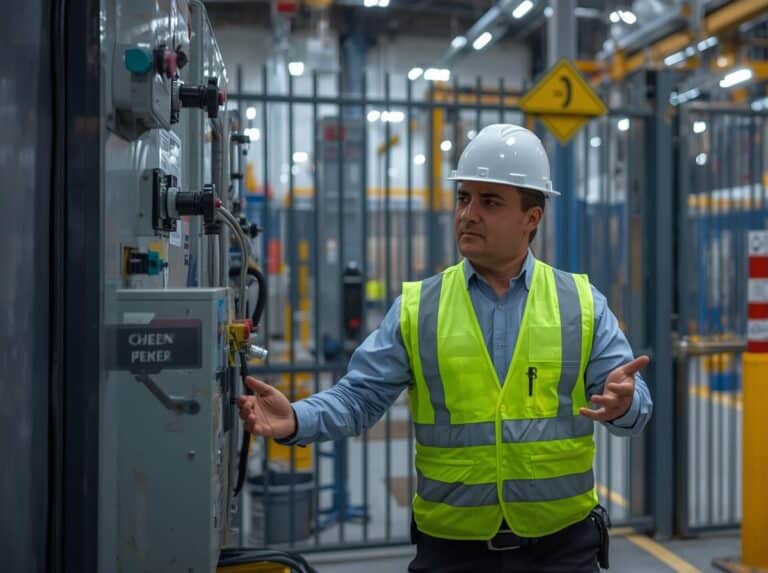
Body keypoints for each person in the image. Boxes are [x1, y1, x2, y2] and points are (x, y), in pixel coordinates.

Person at [238, 123, 652, 572]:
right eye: (463, 198)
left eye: (489, 202)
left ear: (532, 217)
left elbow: (633, 406)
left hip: (562, 551)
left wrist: (623, 404)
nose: (468, 214)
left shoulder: (581, 304)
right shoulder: (419, 307)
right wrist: (297, 417)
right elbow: (359, 398)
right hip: (452, 552)